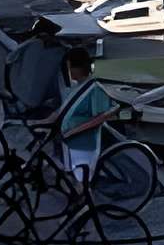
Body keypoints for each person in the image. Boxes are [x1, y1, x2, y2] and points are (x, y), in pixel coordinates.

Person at [44, 47, 115, 184]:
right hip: (70, 141)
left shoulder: (95, 89)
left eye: (70, 68)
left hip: (84, 144)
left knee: (82, 180)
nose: (69, 72)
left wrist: (76, 130)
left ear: (78, 68)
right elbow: (63, 110)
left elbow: (101, 117)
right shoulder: (77, 87)